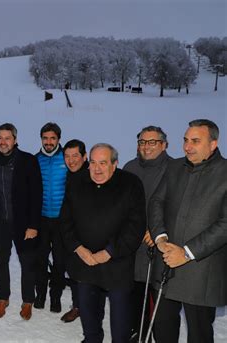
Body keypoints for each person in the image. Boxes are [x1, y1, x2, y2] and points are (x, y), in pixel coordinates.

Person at [149, 119, 227, 343]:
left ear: (213, 144)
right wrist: (161, 238)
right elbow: (156, 202)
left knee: (200, 334)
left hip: (202, 272)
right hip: (166, 266)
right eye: (185, 140)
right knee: (162, 328)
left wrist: (186, 252)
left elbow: (225, 224)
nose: (186, 146)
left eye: (195, 141)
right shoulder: (174, 167)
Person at [60, 143, 146, 342]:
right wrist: (79, 249)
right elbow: (65, 221)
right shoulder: (76, 182)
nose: (97, 169)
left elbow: (135, 227)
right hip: (86, 263)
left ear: (115, 164)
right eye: (93, 162)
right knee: (89, 319)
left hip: (117, 264)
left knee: (120, 323)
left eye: (103, 163)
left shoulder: (131, 184)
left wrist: (108, 252)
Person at [0, 123, 42, 321]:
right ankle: (3, 298)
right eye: (0, 137)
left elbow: (36, 195)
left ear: (15, 140)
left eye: (7, 138)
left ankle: (27, 301)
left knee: (27, 262)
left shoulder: (28, 160)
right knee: (1, 261)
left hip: (23, 223)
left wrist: (33, 225)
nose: (3, 141)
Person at [123, 126, 171, 341]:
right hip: (132, 245)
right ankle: (137, 335)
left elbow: (177, 207)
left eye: (152, 142)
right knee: (133, 298)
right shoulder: (130, 167)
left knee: (159, 305)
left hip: (158, 247)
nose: (146, 146)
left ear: (164, 145)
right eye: (142, 141)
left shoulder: (175, 168)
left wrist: (159, 231)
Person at [34, 123, 67, 314]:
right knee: (40, 260)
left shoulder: (66, 158)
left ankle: (55, 297)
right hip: (42, 220)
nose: (48, 142)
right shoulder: (35, 159)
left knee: (60, 262)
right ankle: (40, 294)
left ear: (58, 139)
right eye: (45, 138)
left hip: (62, 221)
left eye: (52, 138)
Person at [59, 139, 89, 323]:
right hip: (70, 235)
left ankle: (87, 308)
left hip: (88, 236)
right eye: (67, 157)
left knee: (87, 275)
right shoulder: (70, 175)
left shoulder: (92, 175)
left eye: (75, 156)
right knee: (74, 272)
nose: (71, 161)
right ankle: (78, 306)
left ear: (84, 157)